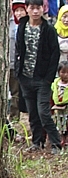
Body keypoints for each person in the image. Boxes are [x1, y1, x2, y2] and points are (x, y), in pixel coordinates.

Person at [16, 0, 62, 154]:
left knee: (43, 111)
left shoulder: (48, 29)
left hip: (42, 78)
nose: (35, 11)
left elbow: (54, 54)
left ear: (43, 9)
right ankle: (37, 142)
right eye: (32, 8)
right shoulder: (22, 26)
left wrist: (48, 78)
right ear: (27, 9)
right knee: (32, 113)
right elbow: (18, 49)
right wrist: (19, 72)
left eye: (38, 8)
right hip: (25, 76)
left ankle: (56, 143)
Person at [10, 0, 26, 120]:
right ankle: (14, 117)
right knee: (14, 91)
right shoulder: (10, 25)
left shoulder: (31, 25)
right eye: (16, 11)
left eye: (21, 10)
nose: (19, 13)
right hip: (12, 63)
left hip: (27, 65)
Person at [51, 61, 68, 141]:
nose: (66, 75)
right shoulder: (55, 83)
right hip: (58, 108)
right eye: (63, 72)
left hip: (67, 107)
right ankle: (62, 139)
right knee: (60, 124)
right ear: (58, 72)